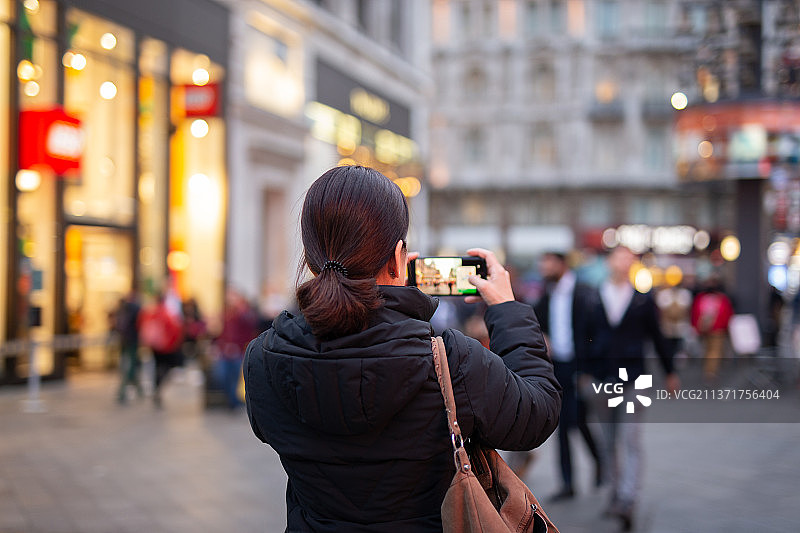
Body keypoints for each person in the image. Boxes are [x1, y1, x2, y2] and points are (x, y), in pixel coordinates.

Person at [243, 165, 561, 532]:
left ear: (312, 258)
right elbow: (537, 413)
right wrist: (506, 310)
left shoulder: (264, 358)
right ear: (398, 256)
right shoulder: (450, 361)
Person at [588, 246, 680, 531]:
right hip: (603, 377)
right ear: (608, 262)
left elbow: (658, 336)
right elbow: (584, 336)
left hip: (635, 378)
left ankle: (628, 498)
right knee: (608, 440)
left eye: (630, 258)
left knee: (631, 438)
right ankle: (615, 492)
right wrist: (584, 371)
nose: (625, 262)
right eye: (620, 257)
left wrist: (670, 372)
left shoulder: (643, 299)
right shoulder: (594, 297)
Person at [534, 251, 604, 500]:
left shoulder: (584, 293)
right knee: (562, 424)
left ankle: (600, 461)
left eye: (548, 263)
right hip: (557, 367)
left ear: (562, 264)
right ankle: (567, 483)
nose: (544, 268)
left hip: (579, 367)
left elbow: (597, 333)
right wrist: (543, 336)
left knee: (579, 420)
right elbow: (536, 322)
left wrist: (589, 370)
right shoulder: (546, 294)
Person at [213, 289, 259, 410]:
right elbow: (220, 333)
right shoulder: (224, 315)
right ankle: (231, 400)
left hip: (238, 350)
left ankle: (233, 402)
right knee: (222, 376)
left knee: (235, 378)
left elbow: (250, 329)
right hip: (224, 351)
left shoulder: (244, 313)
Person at [138, 292, 184, 409]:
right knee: (167, 367)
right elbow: (175, 329)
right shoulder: (167, 313)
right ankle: (158, 387)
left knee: (158, 367)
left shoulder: (151, 313)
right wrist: (174, 343)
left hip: (155, 346)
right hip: (166, 347)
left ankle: (156, 387)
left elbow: (141, 325)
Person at [690, 275, 733, 385]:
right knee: (712, 351)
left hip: (713, 329)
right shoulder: (718, 299)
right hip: (713, 329)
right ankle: (710, 372)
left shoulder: (704, 298)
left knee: (711, 351)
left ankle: (709, 371)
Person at [112, 290, 143, 404]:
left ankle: (137, 389)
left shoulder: (122, 309)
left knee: (128, 364)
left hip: (123, 340)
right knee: (131, 366)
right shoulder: (136, 309)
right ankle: (123, 390)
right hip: (132, 341)